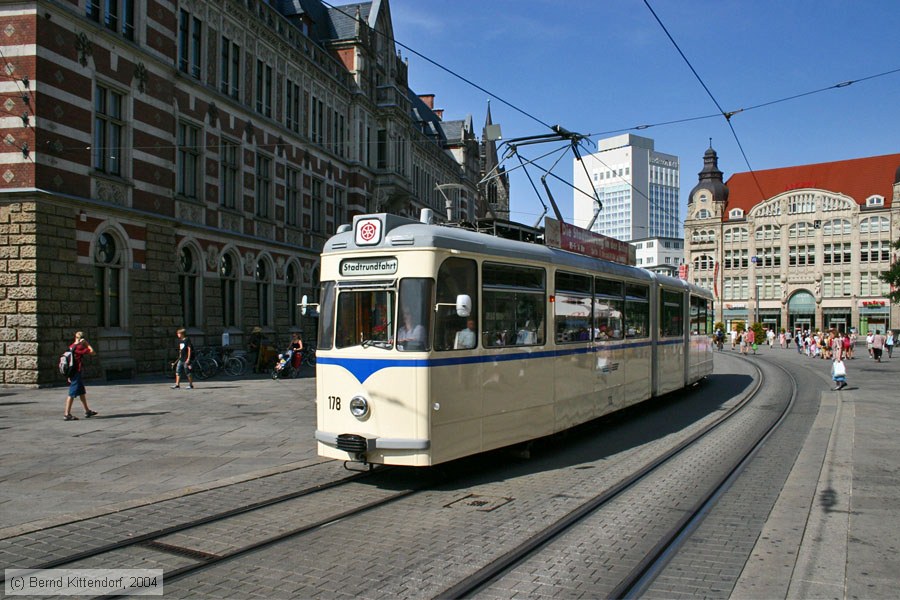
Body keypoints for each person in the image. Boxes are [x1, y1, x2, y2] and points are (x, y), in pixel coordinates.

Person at [63, 332, 97, 421]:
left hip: (72, 372)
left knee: (81, 392)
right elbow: (93, 352)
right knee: (72, 393)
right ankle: (67, 414)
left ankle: (87, 411)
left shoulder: (71, 346)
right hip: (76, 372)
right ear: (82, 338)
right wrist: (87, 344)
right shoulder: (79, 347)